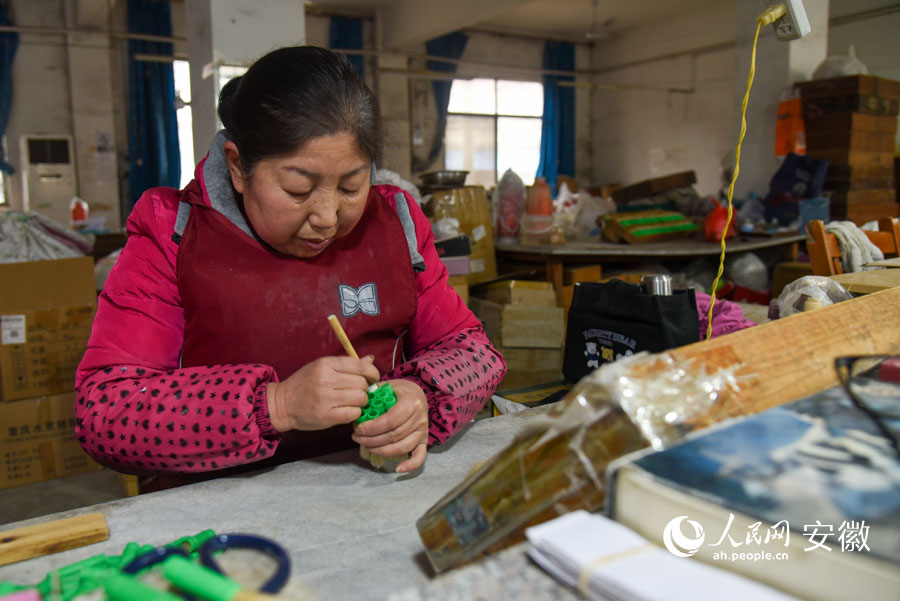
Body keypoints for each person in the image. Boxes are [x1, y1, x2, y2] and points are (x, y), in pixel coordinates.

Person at [74, 46, 506, 485]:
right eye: (298, 189)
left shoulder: (395, 222)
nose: (326, 216)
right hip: (215, 511)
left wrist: (423, 396)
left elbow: (475, 352)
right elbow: (107, 412)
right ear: (239, 166)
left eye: (351, 186)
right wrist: (276, 406)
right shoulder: (173, 231)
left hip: (368, 488)